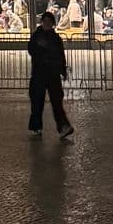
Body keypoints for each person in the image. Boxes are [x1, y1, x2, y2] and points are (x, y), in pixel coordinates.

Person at [26, 9, 74, 137]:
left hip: (52, 74)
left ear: (52, 23)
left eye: (49, 21)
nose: (47, 24)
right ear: (42, 22)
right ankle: (36, 126)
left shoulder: (56, 38)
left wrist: (63, 70)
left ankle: (64, 126)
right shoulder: (36, 36)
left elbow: (60, 55)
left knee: (57, 102)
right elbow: (31, 50)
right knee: (37, 101)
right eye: (45, 21)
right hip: (39, 73)